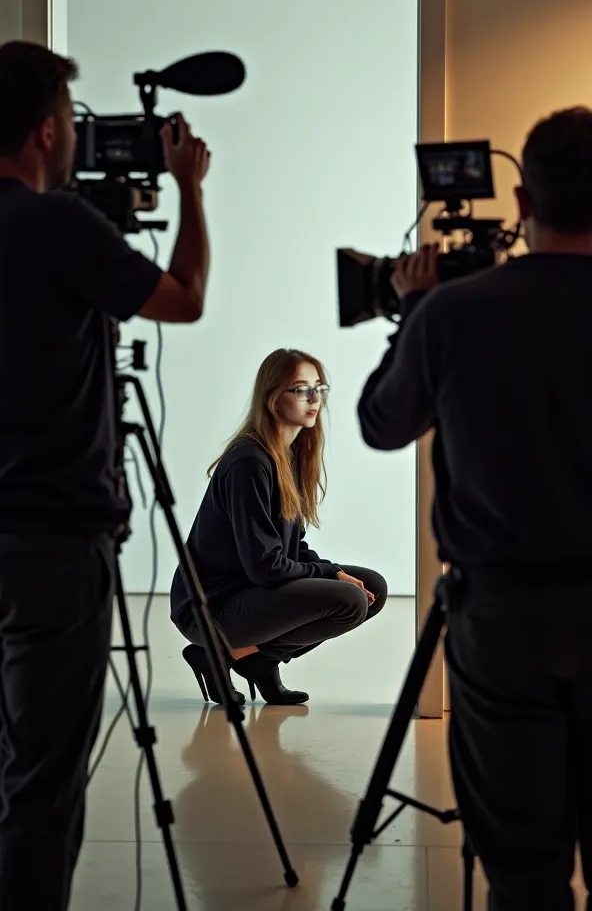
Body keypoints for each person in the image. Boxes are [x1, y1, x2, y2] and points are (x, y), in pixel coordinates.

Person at [357, 107, 592, 911]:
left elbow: (380, 425)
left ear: (523, 202)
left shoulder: (459, 314)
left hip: (503, 618)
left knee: (524, 871)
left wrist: (413, 312)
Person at [0, 40, 213, 911]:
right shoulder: (57, 226)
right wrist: (190, 187)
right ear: (48, 133)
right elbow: (184, 297)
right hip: (52, 540)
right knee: (43, 781)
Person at [170, 348, 388, 705]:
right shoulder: (249, 461)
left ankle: (252, 660)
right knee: (349, 598)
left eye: (319, 387)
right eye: (301, 389)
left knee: (371, 587)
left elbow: (293, 550)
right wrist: (331, 574)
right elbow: (267, 567)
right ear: (272, 397)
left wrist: (328, 571)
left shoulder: (289, 456)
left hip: (251, 595)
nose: (315, 398)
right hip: (213, 607)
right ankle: (231, 653)